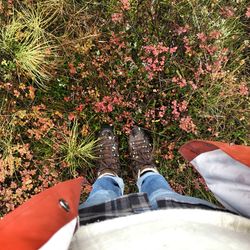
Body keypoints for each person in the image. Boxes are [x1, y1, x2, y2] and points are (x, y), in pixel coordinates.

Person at [1, 126, 250, 250]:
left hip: (89, 235)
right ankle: (145, 168)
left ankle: (109, 171)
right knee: (161, 191)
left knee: (102, 193)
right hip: (204, 226)